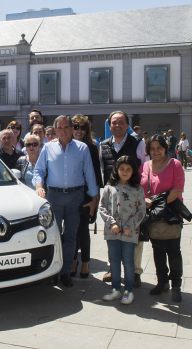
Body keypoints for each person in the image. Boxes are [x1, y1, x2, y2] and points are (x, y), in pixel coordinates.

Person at [33, 115, 98, 288]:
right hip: (53, 196)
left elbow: (90, 175)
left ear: (71, 128)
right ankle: (52, 272)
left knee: (70, 236)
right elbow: (38, 171)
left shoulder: (82, 148)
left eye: (66, 127)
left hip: (75, 197)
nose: (63, 131)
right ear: (55, 130)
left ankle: (65, 272)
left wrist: (94, 200)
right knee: (52, 235)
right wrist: (39, 186)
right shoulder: (47, 148)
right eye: (59, 128)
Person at [99, 111, 146, 287]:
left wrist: (144, 196)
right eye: (113, 123)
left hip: (133, 197)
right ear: (109, 125)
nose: (117, 126)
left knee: (135, 236)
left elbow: (146, 167)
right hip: (112, 198)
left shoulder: (138, 143)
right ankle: (113, 269)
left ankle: (135, 272)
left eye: (121, 122)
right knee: (113, 233)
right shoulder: (103, 145)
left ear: (127, 125)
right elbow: (103, 169)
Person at [139, 135, 185, 302]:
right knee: (157, 250)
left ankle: (176, 286)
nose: (156, 151)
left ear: (165, 148)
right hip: (152, 215)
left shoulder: (175, 164)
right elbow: (140, 187)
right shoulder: (145, 166)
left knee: (173, 251)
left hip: (171, 214)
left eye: (159, 148)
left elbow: (178, 189)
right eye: (152, 148)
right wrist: (143, 199)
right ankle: (162, 282)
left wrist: (160, 204)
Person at [99, 156, 145, 305]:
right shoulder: (109, 188)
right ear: (116, 170)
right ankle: (115, 289)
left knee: (128, 261)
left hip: (129, 233)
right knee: (114, 261)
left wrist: (129, 227)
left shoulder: (138, 189)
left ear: (133, 172)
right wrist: (111, 223)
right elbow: (102, 207)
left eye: (128, 169)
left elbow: (141, 211)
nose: (124, 172)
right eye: (122, 169)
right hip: (112, 231)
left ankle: (128, 290)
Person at [70, 115, 103, 279]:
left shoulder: (91, 147)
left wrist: (94, 199)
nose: (79, 130)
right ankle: (73, 260)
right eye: (76, 127)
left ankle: (85, 263)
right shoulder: (66, 145)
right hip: (70, 192)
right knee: (71, 229)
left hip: (86, 193)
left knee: (83, 229)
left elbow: (97, 173)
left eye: (82, 127)